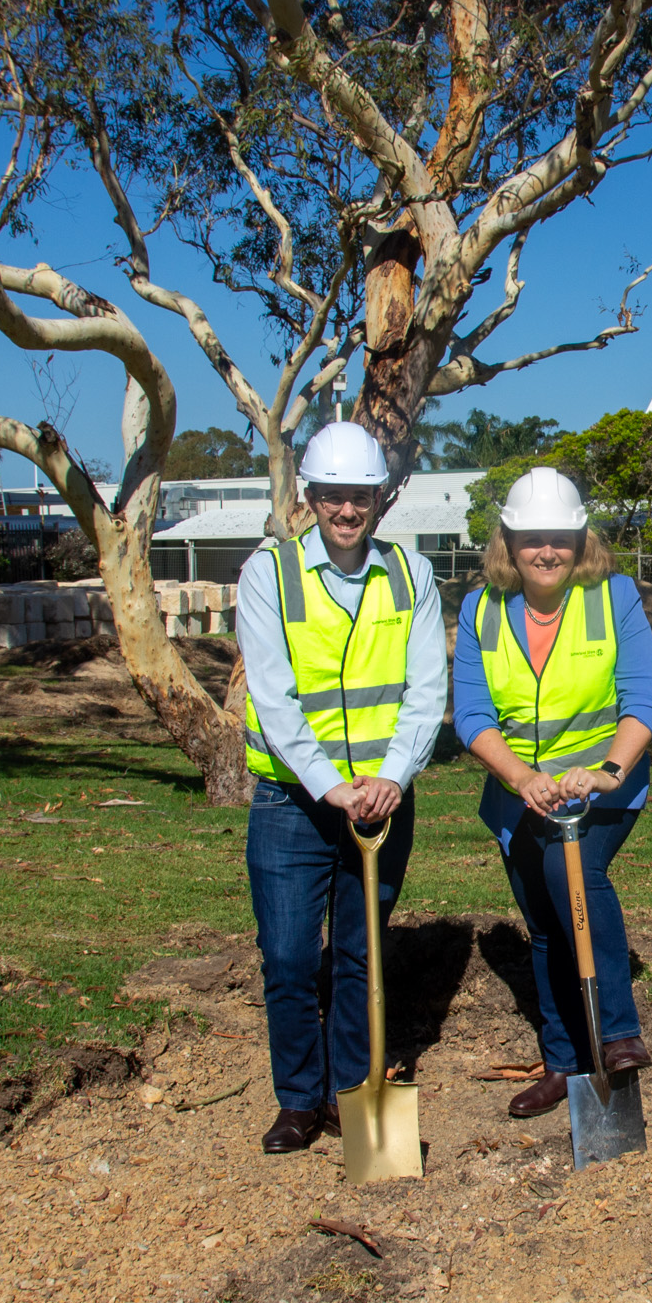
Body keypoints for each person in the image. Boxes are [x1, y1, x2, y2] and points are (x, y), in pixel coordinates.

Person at [237, 423, 446, 1155]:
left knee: (362, 956)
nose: (346, 511)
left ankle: (350, 1095)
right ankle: (297, 1098)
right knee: (290, 956)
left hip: (383, 802)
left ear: (379, 499)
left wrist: (392, 775)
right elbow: (273, 695)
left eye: (359, 497)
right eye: (332, 497)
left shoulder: (411, 574)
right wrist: (331, 787)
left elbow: (426, 690)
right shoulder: (270, 573)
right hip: (293, 803)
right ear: (310, 498)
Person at [452, 468, 652, 1119]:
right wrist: (520, 779)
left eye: (561, 538)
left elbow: (643, 699)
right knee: (544, 924)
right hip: (519, 797)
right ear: (509, 542)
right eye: (531, 537)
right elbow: (472, 715)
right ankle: (564, 1062)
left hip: (600, 790)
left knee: (567, 869)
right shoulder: (480, 608)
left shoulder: (614, 597)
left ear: (580, 540)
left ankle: (618, 1032)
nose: (547, 551)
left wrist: (607, 770)